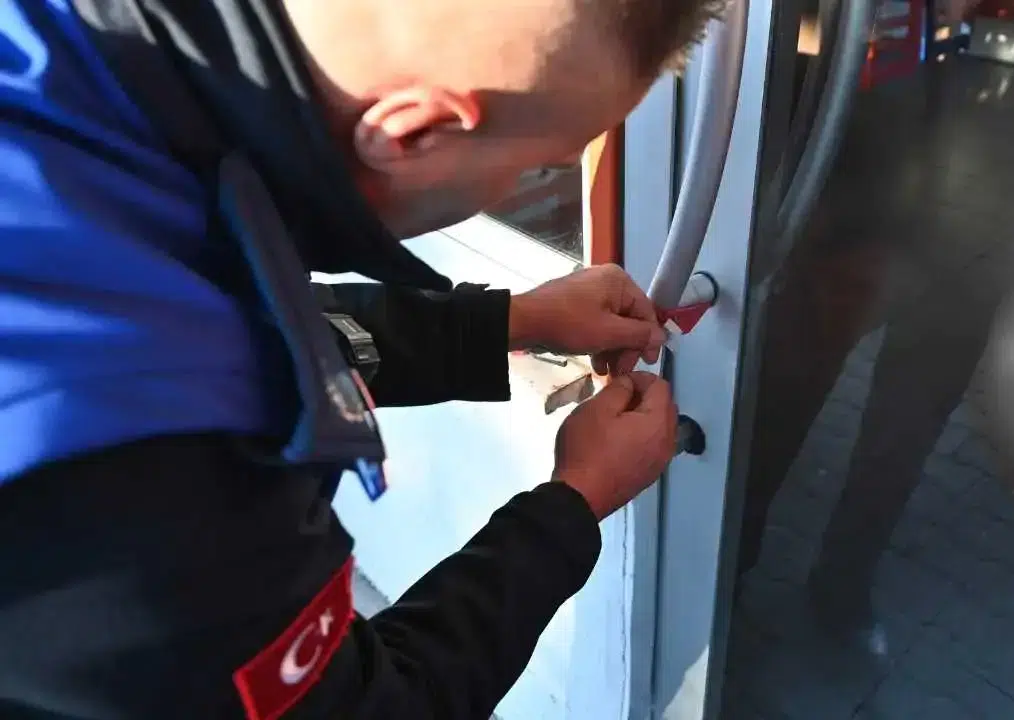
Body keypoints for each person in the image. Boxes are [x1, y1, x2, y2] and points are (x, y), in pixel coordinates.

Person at [0, 0, 720, 718]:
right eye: (538, 168)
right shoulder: (147, 479)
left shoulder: (85, 66)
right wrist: (575, 500)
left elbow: (230, 307)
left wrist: (511, 319)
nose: (526, 187)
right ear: (413, 132)